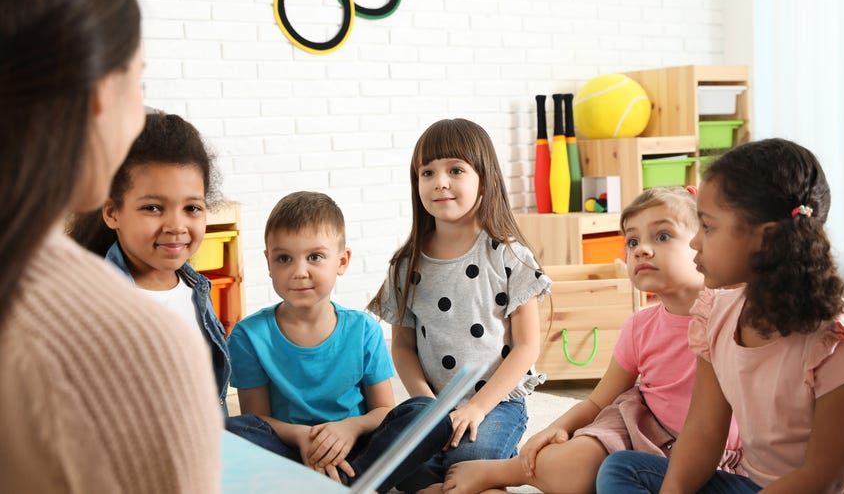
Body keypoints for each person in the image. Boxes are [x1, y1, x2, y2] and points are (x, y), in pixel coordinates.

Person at [0, 0, 221, 492]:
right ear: (101, 95)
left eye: (192, 207)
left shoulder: (189, 296)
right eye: (137, 82)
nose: (176, 225)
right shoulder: (131, 342)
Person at [597, 138, 844, 493]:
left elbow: (825, 481)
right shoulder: (716, 315)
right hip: (756, 485)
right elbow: (703, 435)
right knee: (623, 469)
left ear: (766, 240)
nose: (695, 242)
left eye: (707, 227)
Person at [443, 186, 742, 493]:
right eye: (633, 241)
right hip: (645, 427)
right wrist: (557, 427)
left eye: (662, 236)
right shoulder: (640, 327)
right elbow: (600, 399)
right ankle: (506, 471)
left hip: (719, 449)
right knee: (568, 465)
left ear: (703, 245)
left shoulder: (736, 316)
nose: (642, 250)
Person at [367, 118, 552, 491]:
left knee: (467, 460)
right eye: (428, 172)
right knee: (392, 463)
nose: (440, 182)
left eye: (455, 170)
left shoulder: (509, 254)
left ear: (484, 177)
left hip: (495, 402)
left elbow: (527, 346)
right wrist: (428, 406)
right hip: (432, 403)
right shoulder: (406, 264)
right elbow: (402, 347)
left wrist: (477, 408)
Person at [226, 191, 452, 493]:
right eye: (284, 258)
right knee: (229, 433)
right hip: (290, 452)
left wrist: (350, 428)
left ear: (342, 261)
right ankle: (357, 484)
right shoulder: (249, 336)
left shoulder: (363, 330)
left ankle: (346, 482)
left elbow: (383, 411)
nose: (299, 271)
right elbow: (257, 420)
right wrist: (303, 437)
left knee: (428, 412)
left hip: (357, 449)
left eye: (315, 257)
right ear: (268, 263)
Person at [67, 112, 231, 415]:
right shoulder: (94, 302)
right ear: (113, 213)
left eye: (192, 208)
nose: (176, 225)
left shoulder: (197, 290)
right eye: (153, 208)